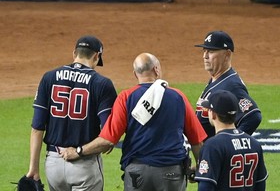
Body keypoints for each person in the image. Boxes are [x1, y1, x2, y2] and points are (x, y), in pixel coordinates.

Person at [61, 52, 207, 191]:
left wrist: (78, 151)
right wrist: (201, 169)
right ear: (156, 70)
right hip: (171, 172)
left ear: (135, 74)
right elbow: (196, 140)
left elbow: (108, 140)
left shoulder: (126, 97)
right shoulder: (178, 96)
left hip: (137, 172)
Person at [26, 35, 117, 191]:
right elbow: (108, 132)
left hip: (53, 165)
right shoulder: (102, 84)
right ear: (96, 56)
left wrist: (33, 168)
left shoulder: (48, 78)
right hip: (84, 164)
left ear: (74, 53)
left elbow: (37, 128)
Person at [194, 90, 268, 190]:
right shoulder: (254, 144)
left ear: (214, 114)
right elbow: (260, 186)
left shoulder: (212, 146)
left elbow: (205, 187)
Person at [194, 30, 262, 139]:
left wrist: (231, 143)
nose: (205, 56)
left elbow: (253, 116)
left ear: (227, 54)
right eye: (204, 50)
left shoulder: (232, 85)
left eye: (211, 51)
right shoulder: (218, 78)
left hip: (217, 153)